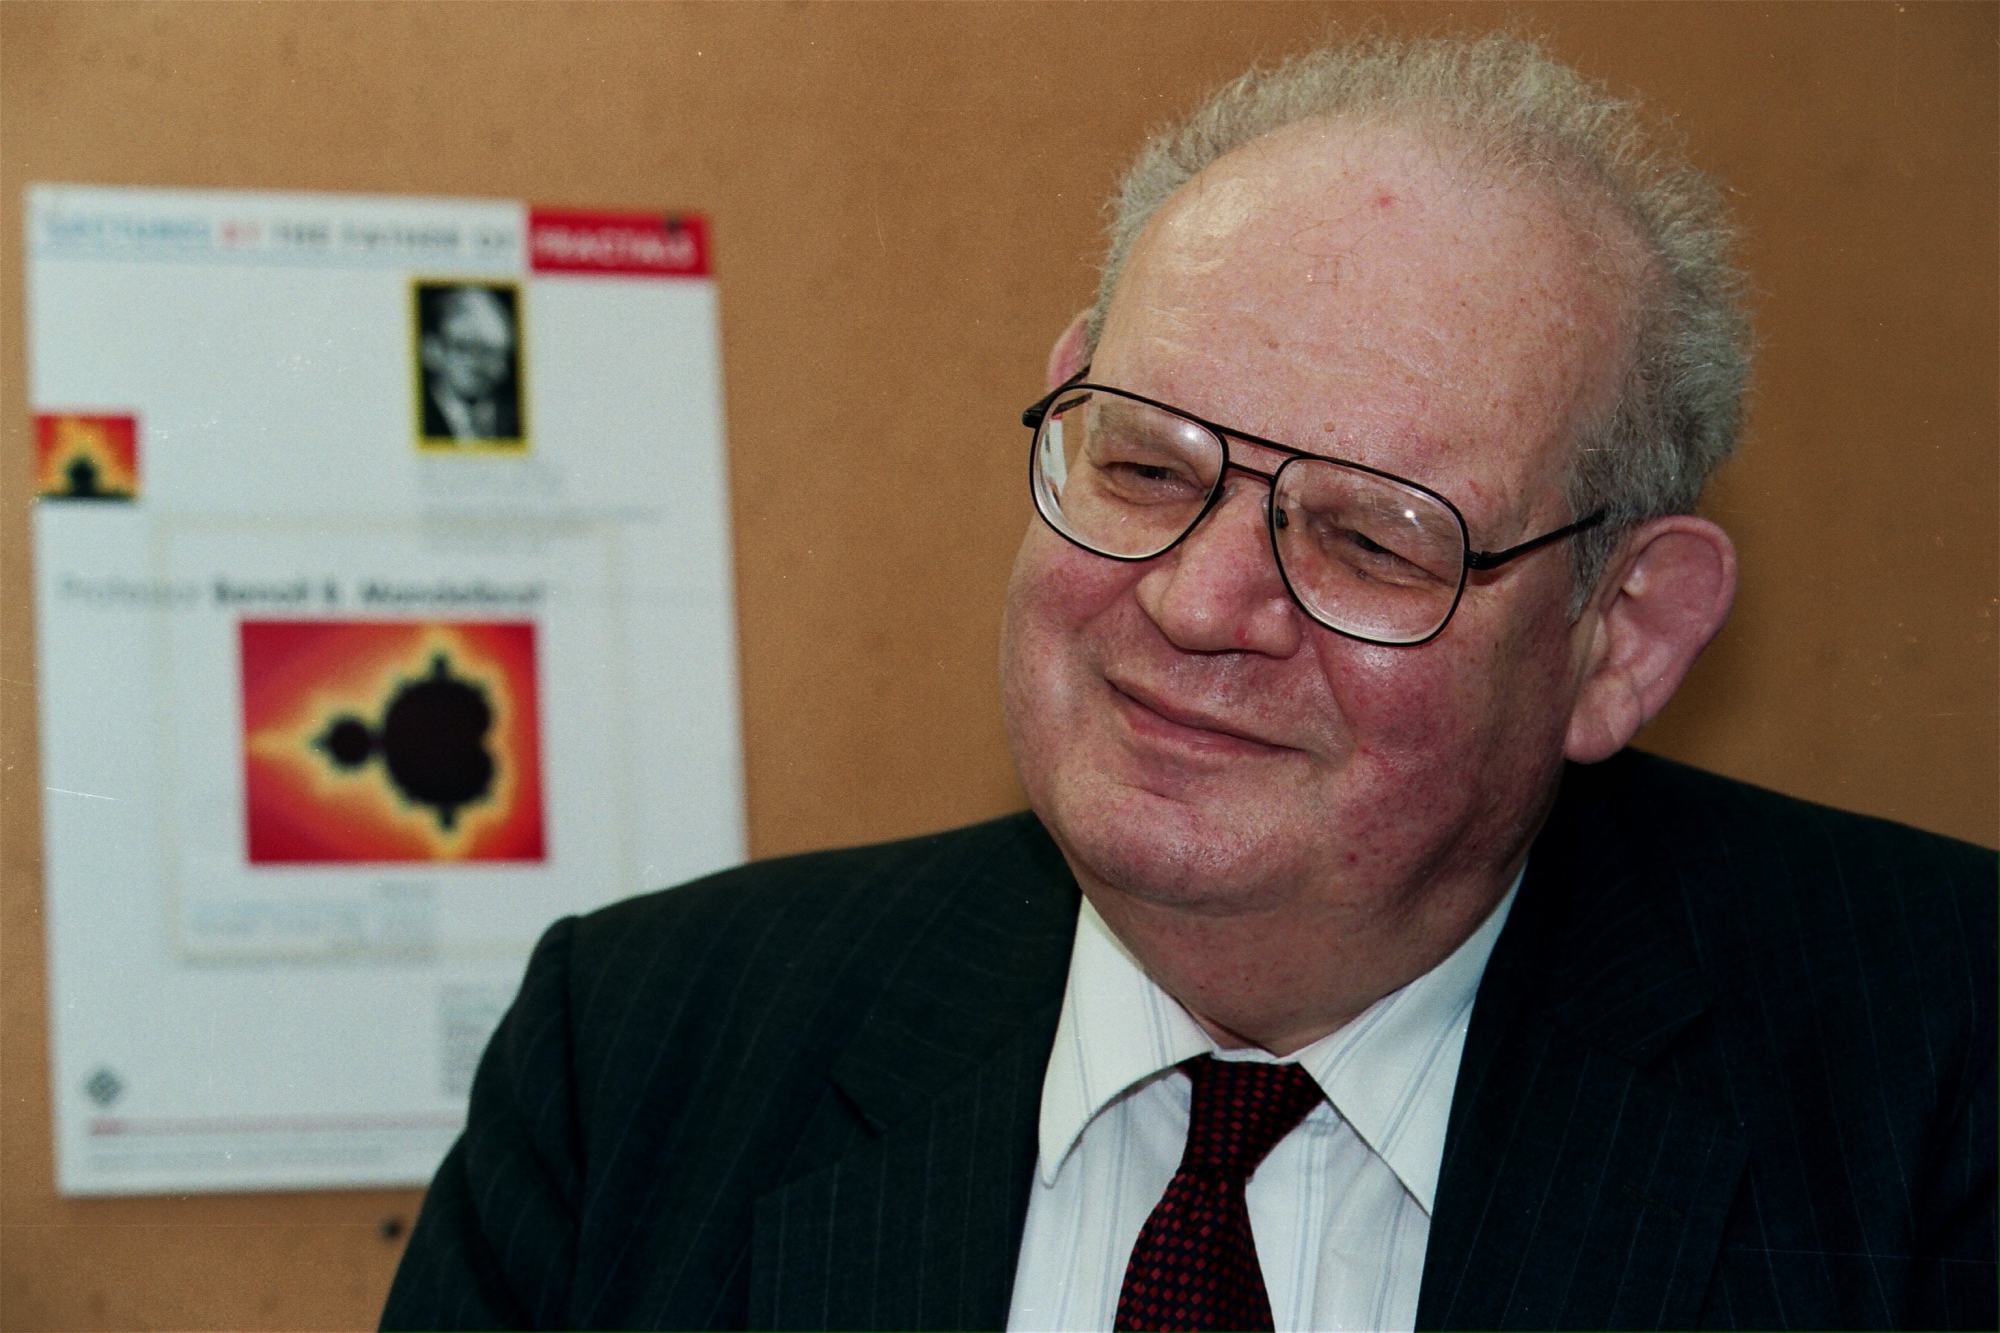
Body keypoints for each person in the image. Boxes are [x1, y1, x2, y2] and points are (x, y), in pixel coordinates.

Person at [381, 33, 1994, 1332]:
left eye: (1370, 536)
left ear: (1619, 636)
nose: (1200, 597)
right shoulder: (645, 1055)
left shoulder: (1939, 1072)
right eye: (1149, 465)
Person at [419, 283, 522, 444]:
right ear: (432, 349)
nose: (487, 367)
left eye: (496, 354)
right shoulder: (418, 416)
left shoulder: (513, 419)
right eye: (467, 348)